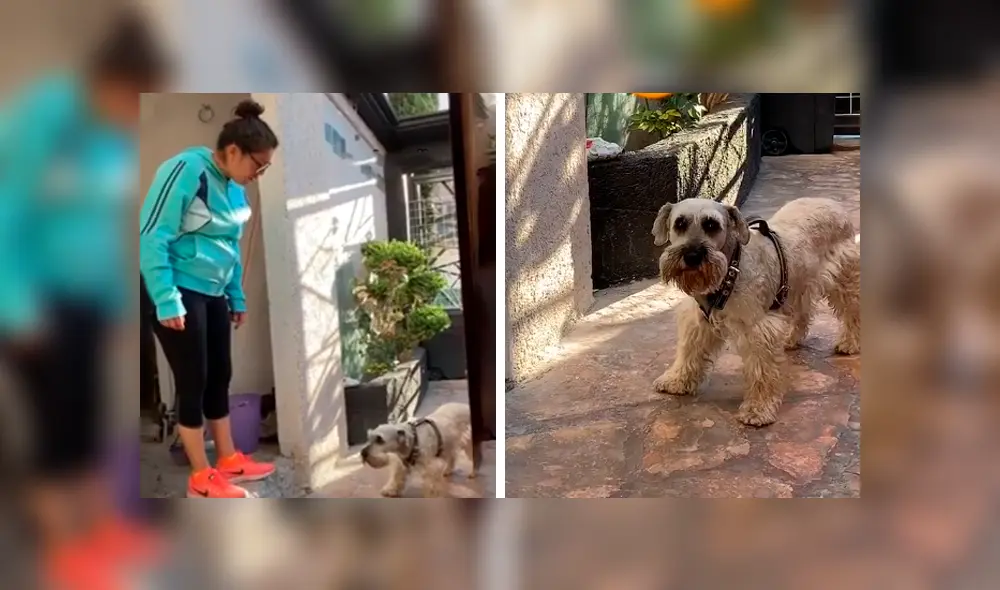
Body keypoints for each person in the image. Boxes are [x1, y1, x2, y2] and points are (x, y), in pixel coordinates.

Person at [0, 10, 168, 588]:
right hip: (32, 303)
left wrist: (116, 308)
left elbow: (103, 228)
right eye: (135, 95)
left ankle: (100, 532)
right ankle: (62, 550)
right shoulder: (45, 117)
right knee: (55, 433)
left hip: (85, 305)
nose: (135, 111)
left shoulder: (111, 138)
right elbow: (8, 211)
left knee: (87, 425)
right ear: (111, 78)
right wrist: (17, 307)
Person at [139, 98, 279, 498]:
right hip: (178, 290)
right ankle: (201, 475)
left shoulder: (235, 192)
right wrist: (166, 299)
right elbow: (153, 236)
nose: (259, 174)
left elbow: (230, 250)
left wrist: (236, 297)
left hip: (214, 293)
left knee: (220, 374)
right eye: (259, 164)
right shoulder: (185, 170)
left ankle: (229, 458)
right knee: (193, 380)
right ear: (233, 151)